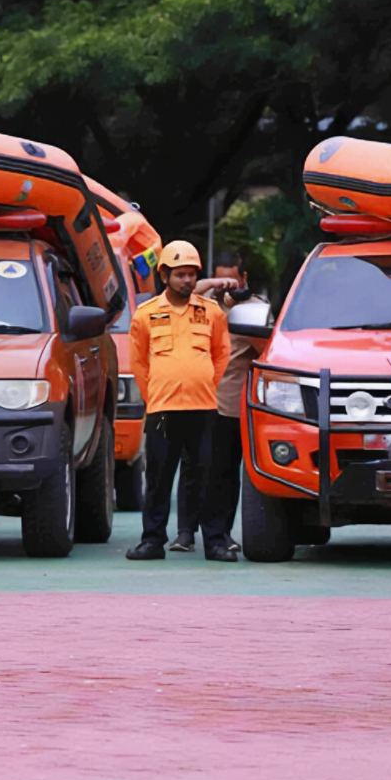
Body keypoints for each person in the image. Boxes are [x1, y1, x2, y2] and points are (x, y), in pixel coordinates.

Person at [125, 240, 233, 562]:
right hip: (162, 410)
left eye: (191, 274)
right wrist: (155, 394)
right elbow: (139, 362)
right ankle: (152, 541)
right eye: (180, 275)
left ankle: (214, 542)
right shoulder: (146, 315)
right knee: (158, 478)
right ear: (164, 276)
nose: (187, 280)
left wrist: (202, 384)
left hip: (202, 408)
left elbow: (222, 354)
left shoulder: (211, 313)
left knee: (206, 477)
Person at [196, 251, 269, 553]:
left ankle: (222, 533)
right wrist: (215, 286)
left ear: (244, 278)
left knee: (230, 474)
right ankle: (203, 533)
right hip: (202, 401)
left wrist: (240, 311)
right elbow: (184, 291)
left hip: (235, 404)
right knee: (208, 473)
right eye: (220, 279)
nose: (227, 287)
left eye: (232, 279)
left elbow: (267, 349)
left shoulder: (256, 310)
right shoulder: (201, 306)